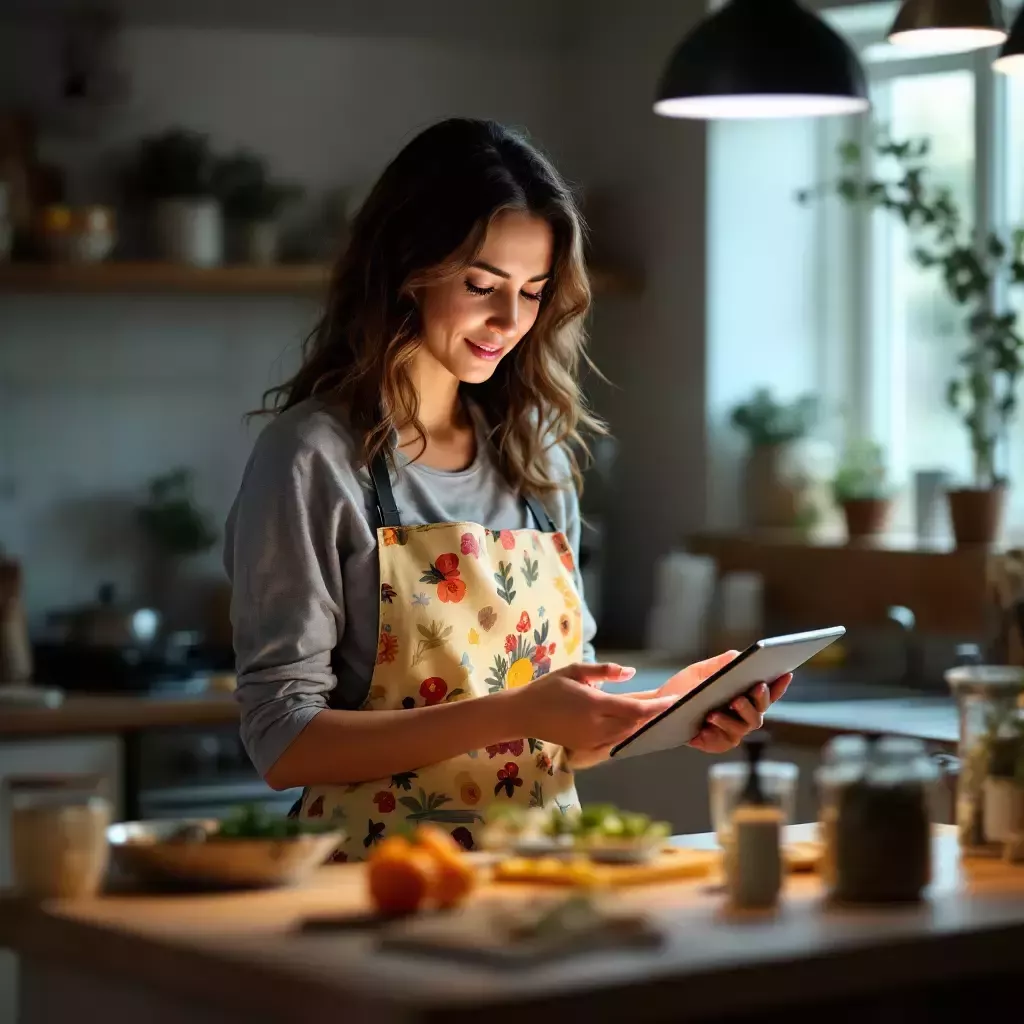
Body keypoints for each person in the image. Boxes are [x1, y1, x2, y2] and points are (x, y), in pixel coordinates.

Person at [224, 118, 791, 859]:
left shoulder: (538, 459)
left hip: (542, 877)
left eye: (532, 291)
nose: (510, 321)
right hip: (377, 882)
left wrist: (664, 710)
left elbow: (560, 743)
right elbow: (283, 742)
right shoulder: (313, 458)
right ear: (406, 268)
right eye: (481, 286)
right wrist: (514, 711)